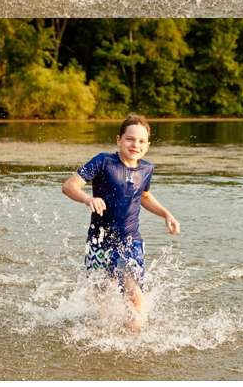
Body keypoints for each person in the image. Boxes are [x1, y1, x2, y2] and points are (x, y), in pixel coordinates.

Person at [62, 113, 179, 327]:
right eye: (130, 139)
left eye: (142, 141)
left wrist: (166, 214)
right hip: (99, 243)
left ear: (148, 145)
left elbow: (143, 196)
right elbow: (69, 186)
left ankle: (134, 341)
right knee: (102, 307)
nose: (136, 145)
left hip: (130, 241)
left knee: (134, 296)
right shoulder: (103, 162)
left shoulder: (146, 169)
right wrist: (89, 198)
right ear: (119, 140)